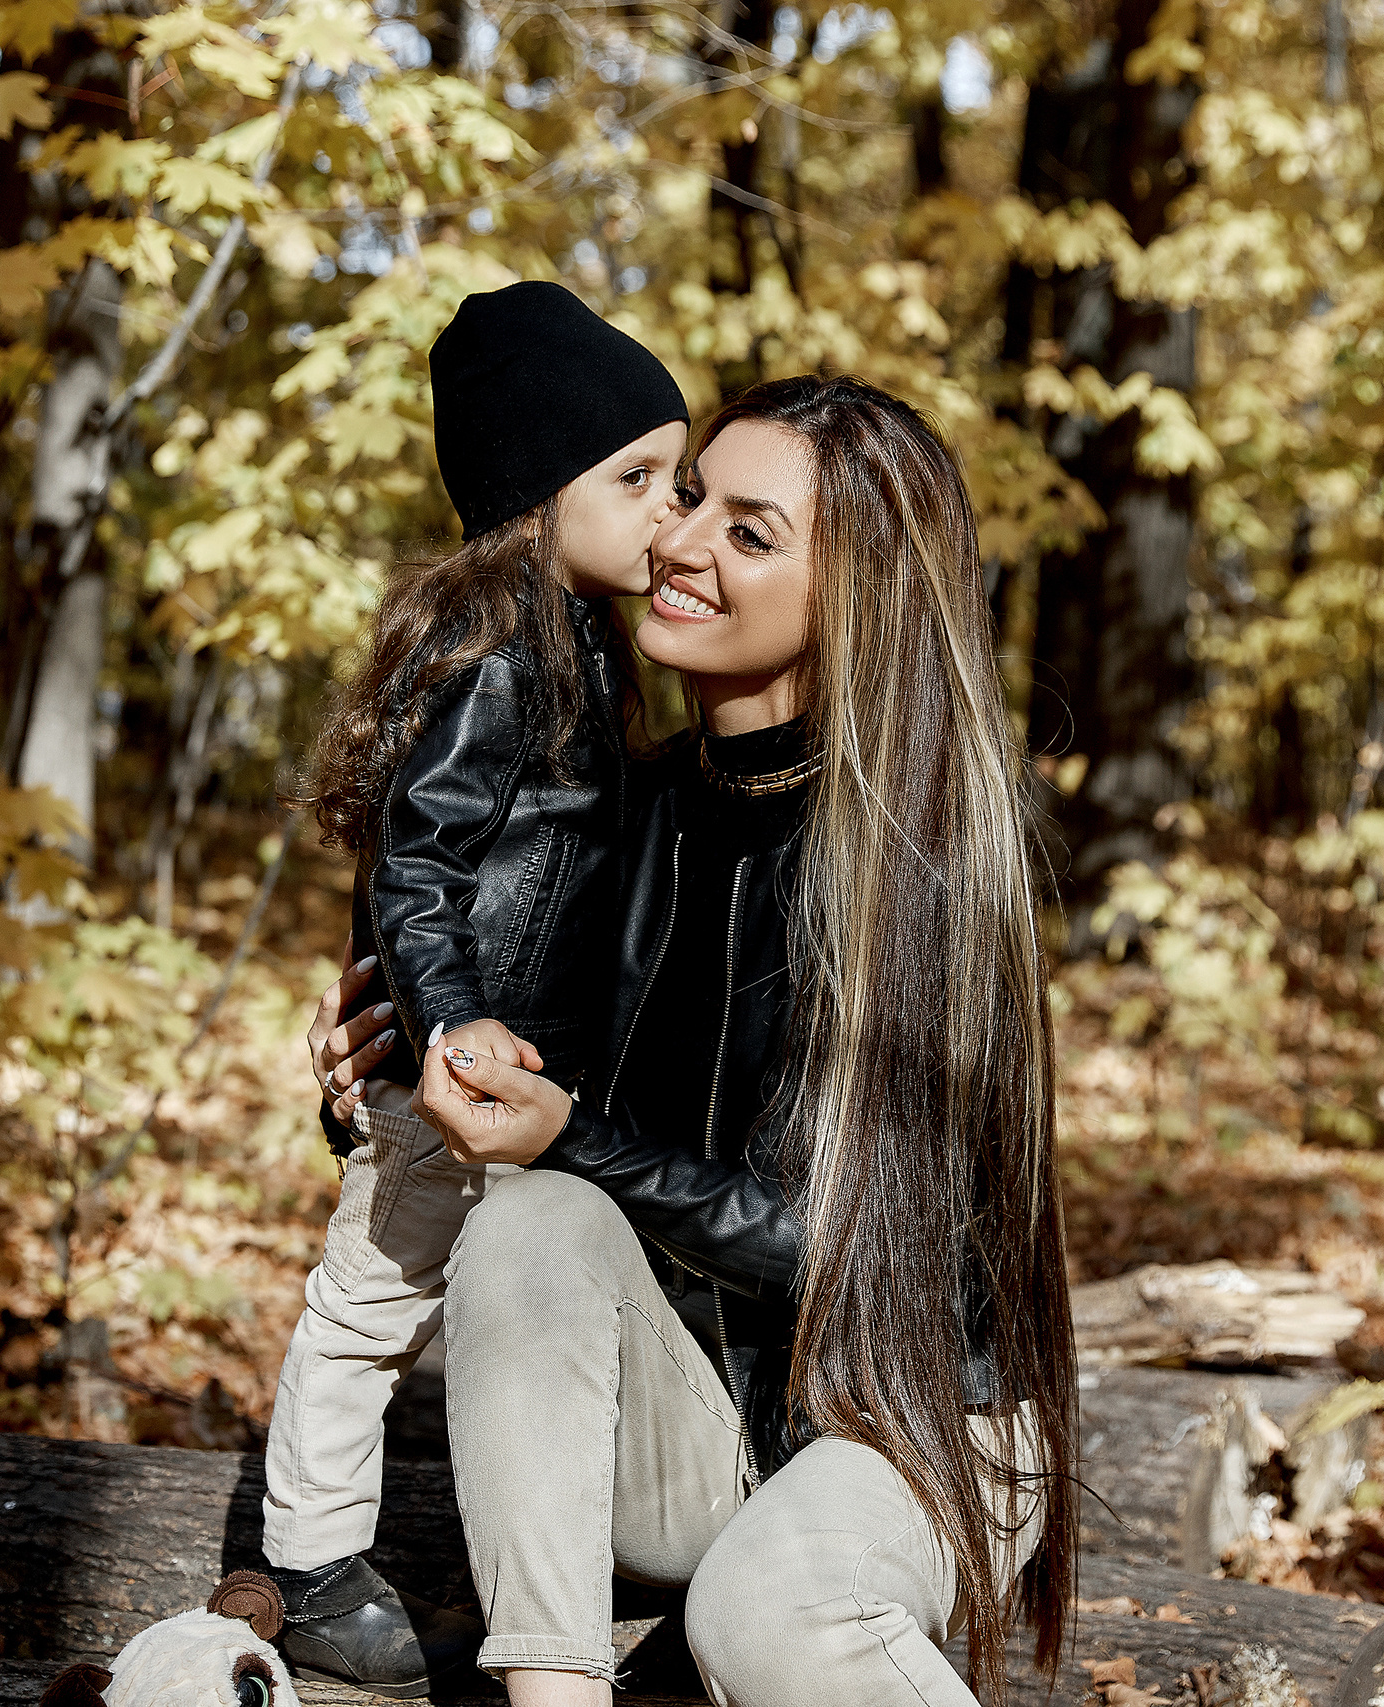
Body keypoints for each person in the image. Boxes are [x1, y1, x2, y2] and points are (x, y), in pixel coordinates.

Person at [312, 375, 1079, 1707]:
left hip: (917, 1420)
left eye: (748, 531)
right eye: (686, 499)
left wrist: (568, 1137)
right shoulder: (612, 813)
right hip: (693, 1424)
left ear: (858, 595)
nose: (678, 543)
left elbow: (846, 1250)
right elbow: (505, 1107)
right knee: (529, 1225)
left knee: (769, 1609)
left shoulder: (927, 864)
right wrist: (388, 1075)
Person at [259, 279, 689, 1698]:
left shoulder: (585, 650)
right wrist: (440, 1022)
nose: (669, 513)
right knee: (373, 1300)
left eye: (678, 479)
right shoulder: (502, 662)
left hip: (523, 1071)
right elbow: (416, 864)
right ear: (534, 497)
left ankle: (551, 1531)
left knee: (500, 1304)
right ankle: (310, 1560)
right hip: (459, 1072)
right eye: (636, 479)